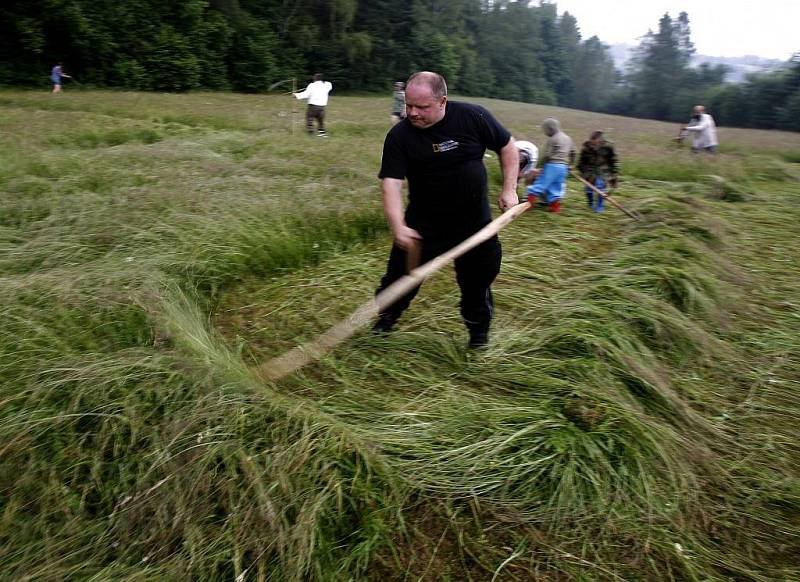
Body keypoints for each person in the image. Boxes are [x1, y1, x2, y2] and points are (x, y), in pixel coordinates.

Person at [372, 71, 519, 349]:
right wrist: (398, 227)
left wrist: (509, 188)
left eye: (421, 107)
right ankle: (384, 323)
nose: (413, 113)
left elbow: (507, 146)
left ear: (442, 101)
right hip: (423, 227)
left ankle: (478, 337)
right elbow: (390, 185)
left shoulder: (473, 117)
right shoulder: (400, 136)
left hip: (475, 226)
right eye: (409, 105)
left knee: (477, 285)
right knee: (398, 281)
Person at [525, 118, 575, 213]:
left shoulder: (553, 139)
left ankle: (529, 204)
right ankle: (555, 208)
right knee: (555, 187)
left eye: (545, 130)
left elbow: (547, 155)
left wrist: (539, 167)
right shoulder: (568, 138)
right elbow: (573, 152)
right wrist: (571, 164)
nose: (545, 132)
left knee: (540, 184)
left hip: (552, 165)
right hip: (563, 167)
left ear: (551, 128)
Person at [577, 130, 619, 212]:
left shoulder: (608, 146)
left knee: (601, 187)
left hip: (603, 169)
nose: (593, 146)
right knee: (589, 188)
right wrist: (582, 171)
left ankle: (600, 206)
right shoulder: (586, 146)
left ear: (601, 141)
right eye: (592, 143)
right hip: (590, 169)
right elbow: (581, 161)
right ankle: (590, 203)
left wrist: (614, 175)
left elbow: (614, 161)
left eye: (595, 144)